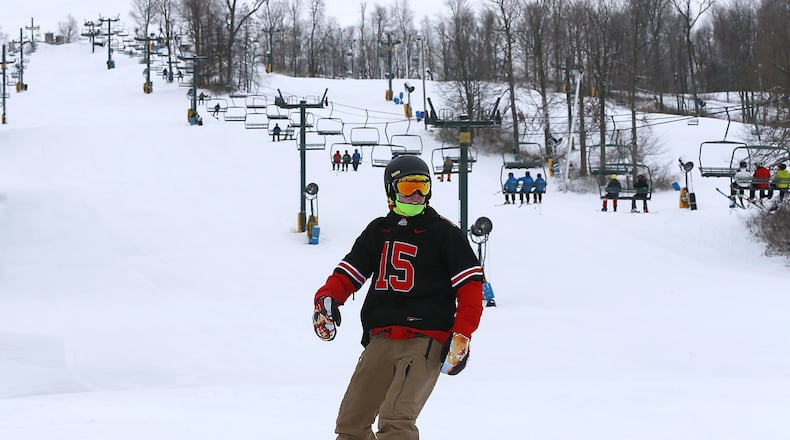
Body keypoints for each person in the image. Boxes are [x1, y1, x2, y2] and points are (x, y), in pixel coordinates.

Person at [311, 155, 484, 440]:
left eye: (422, 187)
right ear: (391, 191)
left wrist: (462, 333)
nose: (416, 195)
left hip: (424, 339)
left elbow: (470, 287)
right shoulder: (379, 231)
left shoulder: (444, 233)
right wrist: (327, 298)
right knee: (351, 422)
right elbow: (349, 272)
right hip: (381, 338)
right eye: (408, 187)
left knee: (395, 419)